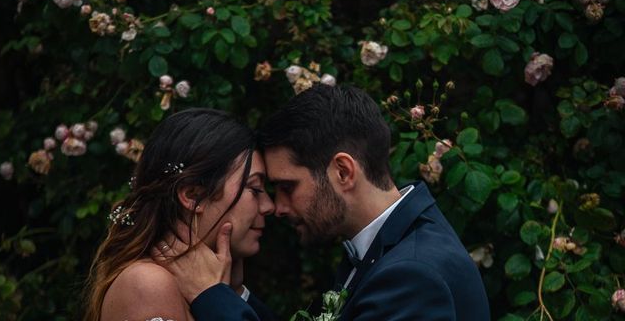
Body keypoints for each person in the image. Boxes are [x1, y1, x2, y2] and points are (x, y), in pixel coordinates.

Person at [170, 85, 491, 320]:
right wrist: (236, 294)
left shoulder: (415, 276)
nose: (277, 207)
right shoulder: (388, 249)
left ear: (343, 171)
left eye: (287, 187)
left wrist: (210, 298)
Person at [82, 108, 275, 321]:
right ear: (193, 196)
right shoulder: (149, 283)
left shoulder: (214, 287)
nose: (269, 206)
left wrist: (230, 293)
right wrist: (216, 298)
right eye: (255, 189)